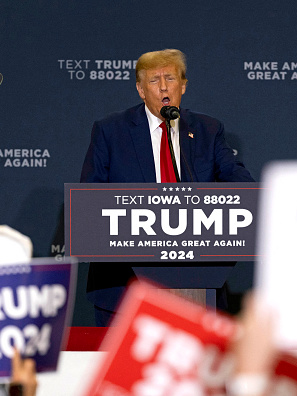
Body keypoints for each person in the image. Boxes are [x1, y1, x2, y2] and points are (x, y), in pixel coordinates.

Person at [80, 48, 255, 326]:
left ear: (183, 85)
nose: (163, 87)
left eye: (170, 79)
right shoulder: (111, 131)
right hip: (124, 288)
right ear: (140, 89)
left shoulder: (208, 130)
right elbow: (90, 198)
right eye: (153, 80)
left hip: (197, 285)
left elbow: (239, 182)